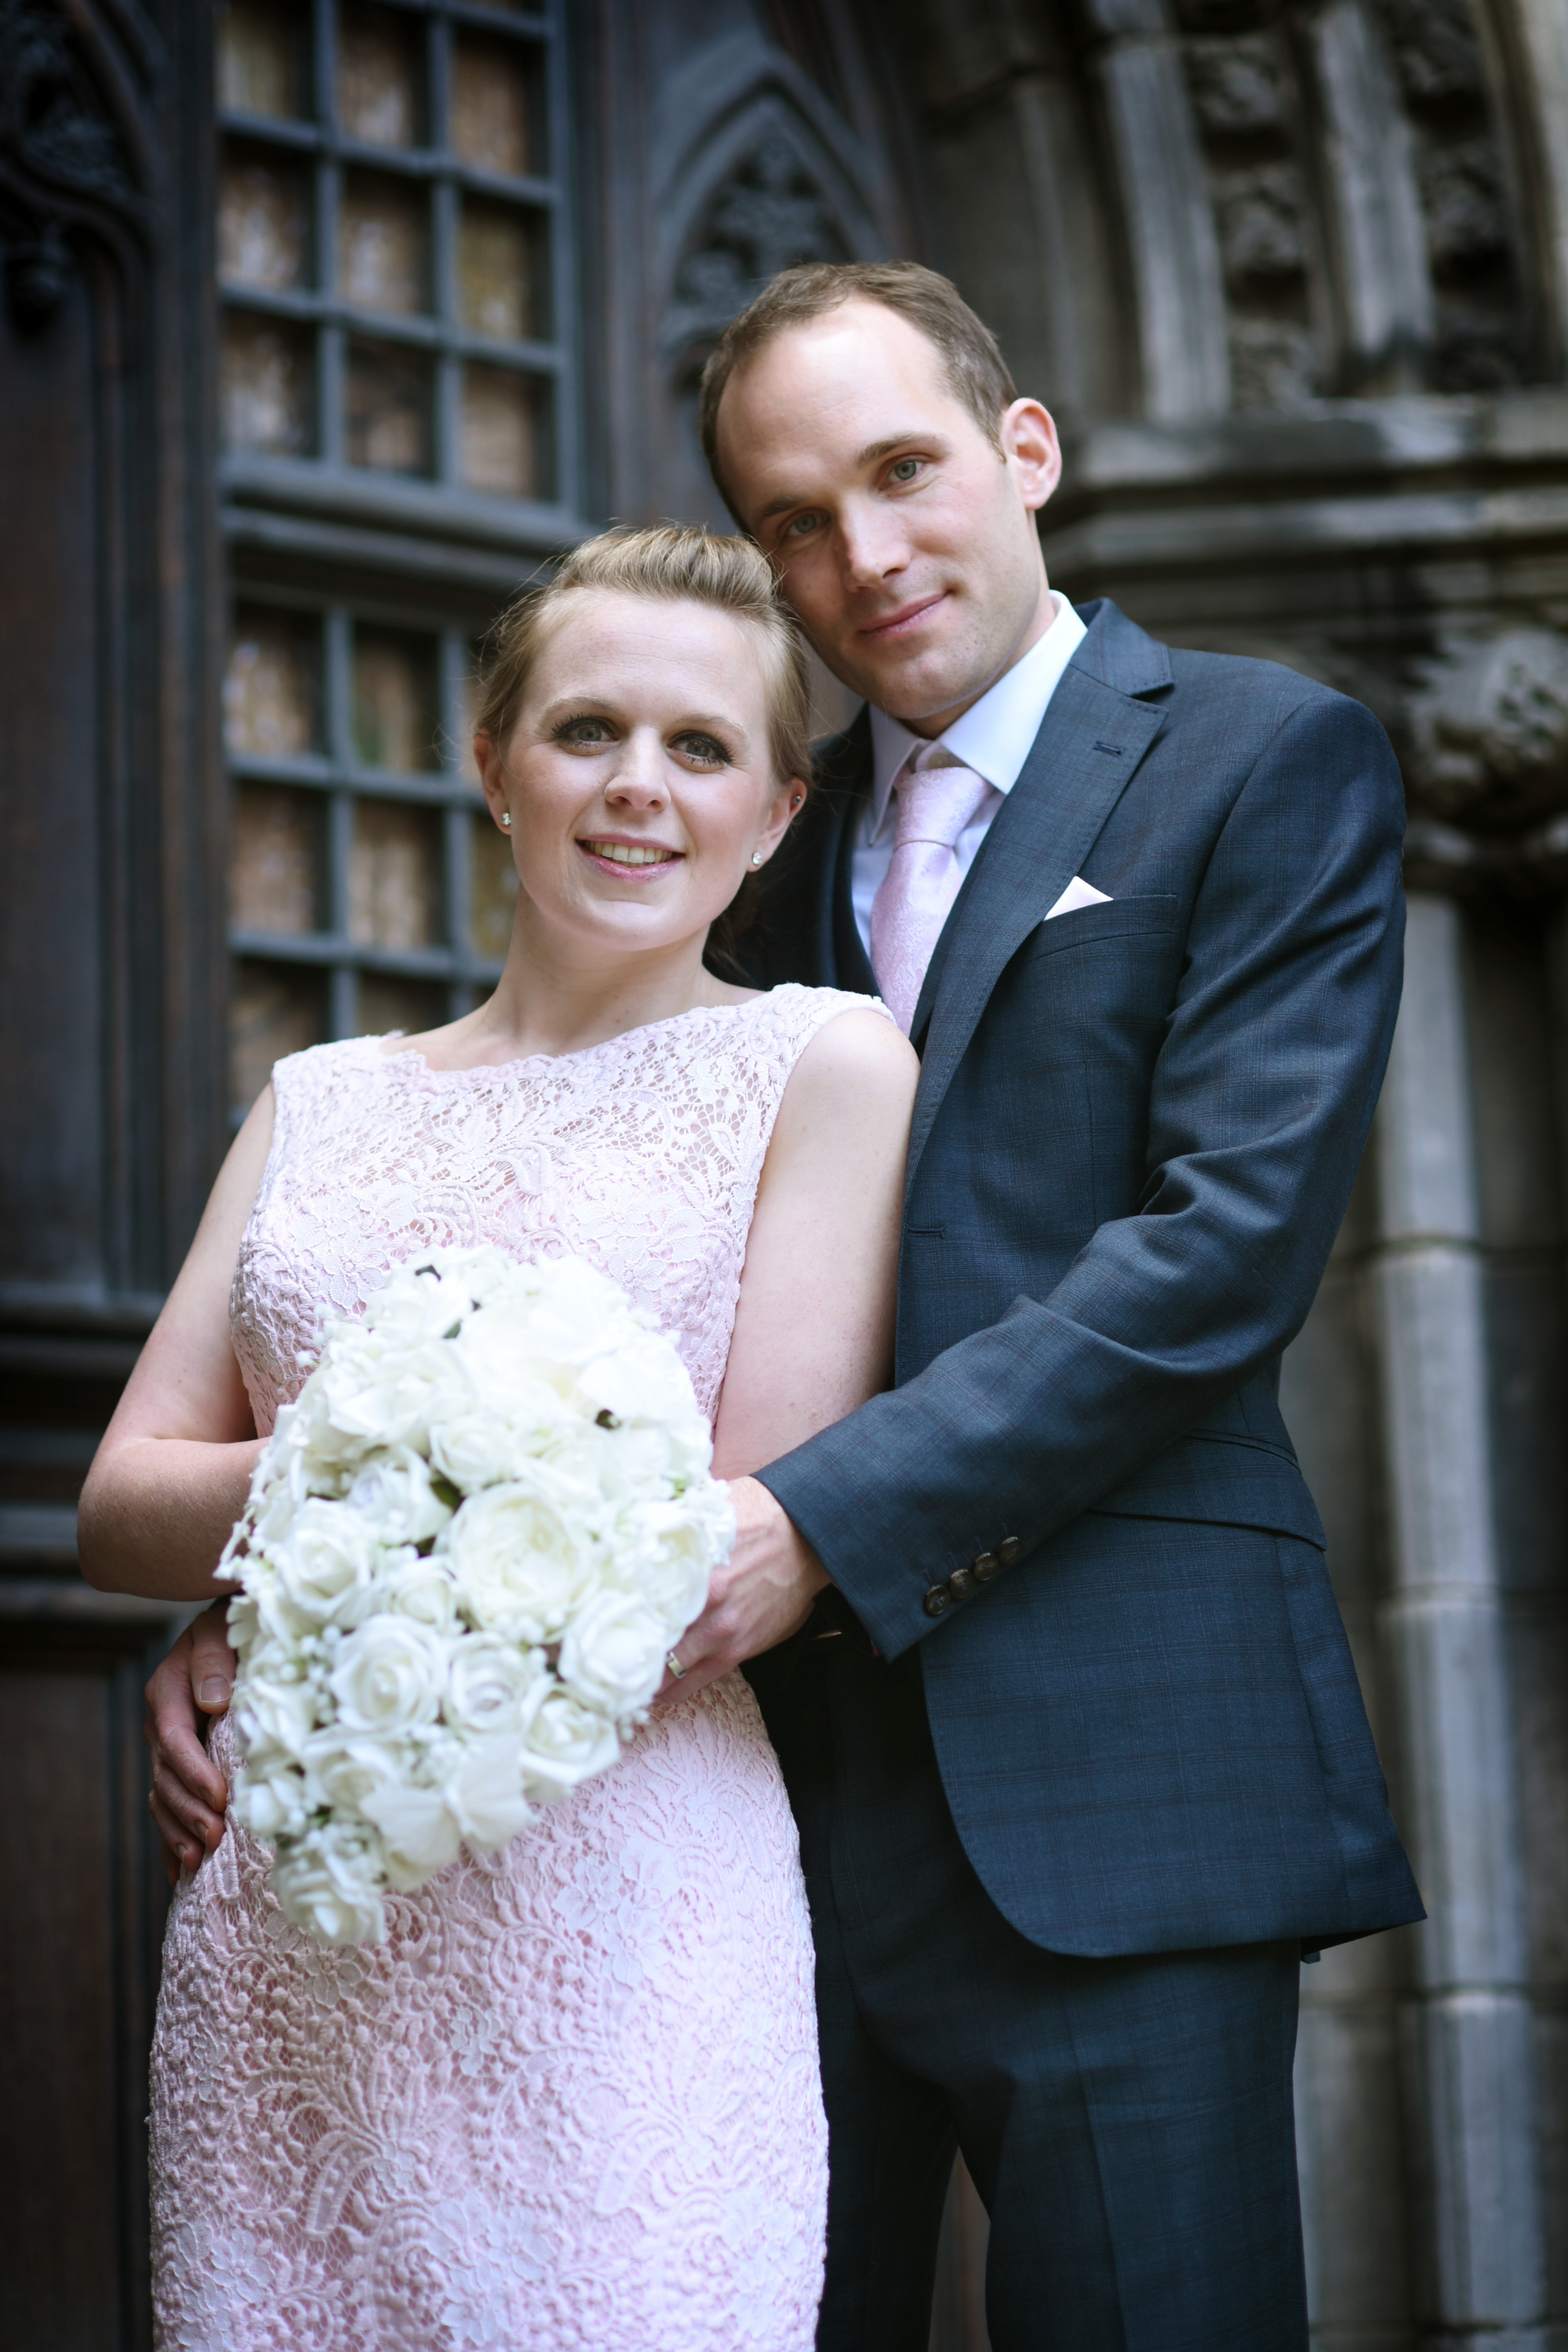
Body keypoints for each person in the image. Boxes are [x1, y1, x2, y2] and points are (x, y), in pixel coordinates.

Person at [145, 261, 1426, 2349]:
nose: (862, 555)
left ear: (1024, 456)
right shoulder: (751, 831)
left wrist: (816, 1518)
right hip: (737, 1833)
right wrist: (319, 1578)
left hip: (1112, 1774)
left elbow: (1217, 1253)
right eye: (793, 520)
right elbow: (561, 1252)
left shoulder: (1258, 761)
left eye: (901, 474)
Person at [81, 524, 918, 2352]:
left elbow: (735, 1540)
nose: (638, 788)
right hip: (293, 1938)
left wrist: (318, 1535)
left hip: (625, 1906)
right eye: (586, 730)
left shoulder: (822, 1068)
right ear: (492, 761)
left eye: (702, 750)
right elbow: (123, 1506)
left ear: (779, 814)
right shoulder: (319, 1105)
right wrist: (322, 1527)